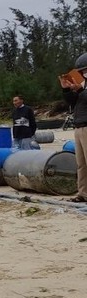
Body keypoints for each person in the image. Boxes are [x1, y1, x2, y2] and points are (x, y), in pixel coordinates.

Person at [62, 54, 87, 202]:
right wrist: (66, 90)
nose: (83, 73)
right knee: (81, 164)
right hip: (79, 126)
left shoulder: (83, 89)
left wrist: (79, 90)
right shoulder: (82, 87)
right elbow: (71, 102)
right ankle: (83, 193)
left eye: (84, 70)